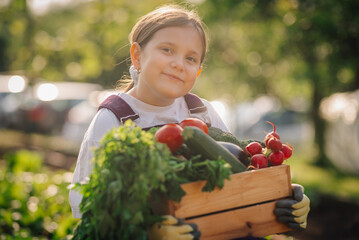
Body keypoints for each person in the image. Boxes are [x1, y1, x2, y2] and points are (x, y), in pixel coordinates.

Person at [69, 4, 309, 239]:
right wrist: (148, 232)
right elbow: (86, 205)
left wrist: (283, 194)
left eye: (191, 58)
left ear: (198, 72)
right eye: (167, 50)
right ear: (137, 56)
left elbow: (239, 174)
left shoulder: (202, 112)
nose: (178, 64)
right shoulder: (114, 117)